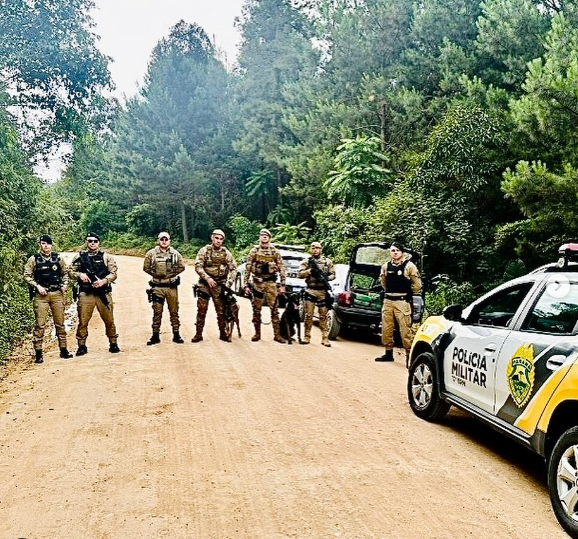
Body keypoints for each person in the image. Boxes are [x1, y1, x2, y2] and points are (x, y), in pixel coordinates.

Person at [23, 235, 73, 363]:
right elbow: (27, 276)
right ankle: (38, 352)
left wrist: (65, 285)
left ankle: (63, 349)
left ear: (52, 245)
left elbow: (65, 273)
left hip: (57, 294)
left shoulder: (58, 258)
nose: (46, 246)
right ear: (40, 244)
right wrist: (37, 286)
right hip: (41, 296)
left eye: (48, 244)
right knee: (40, 324)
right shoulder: (33, 259)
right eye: (43, 243)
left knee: (60, 323)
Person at [70, 233, 120, 356]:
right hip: (86, 293)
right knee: (83, 320)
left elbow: (113, 273)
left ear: (99, 243)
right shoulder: (80, 257)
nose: (92, 243)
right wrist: (80, 275)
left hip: (103, 292)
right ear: (86, 242)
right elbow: (70, 271)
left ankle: (113, 342)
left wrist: (103, 281)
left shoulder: (106, 257)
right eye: (90, 241)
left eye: (95, 241)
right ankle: (81, 345)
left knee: (109, 319)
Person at [375, 242, 421, 363]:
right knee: (386, 328)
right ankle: (388, 353)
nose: (395, 253)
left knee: (405, 329)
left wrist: (407, 293)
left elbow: (417, 285)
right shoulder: (386, 266)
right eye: (392, 250)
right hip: (388, 301)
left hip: (402, 302)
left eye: (397, 250)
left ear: (402, 252)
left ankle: (408, 356)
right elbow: (383, 282)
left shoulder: (409, 266)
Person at [192, 229, 237, 342]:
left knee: (221, 311)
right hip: (205, 284)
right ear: (212, 238)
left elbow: (233, 268)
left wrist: (228, 284)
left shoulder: (226, 253)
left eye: (221, 239)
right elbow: (198, 266)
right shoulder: (204, 250)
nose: (218, 241)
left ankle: (223, 333)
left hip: (219, 285)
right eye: (216, 238)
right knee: (201, 310)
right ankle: (198, 334)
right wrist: (207, 278)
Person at [243, 229, 287, 343]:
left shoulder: (274, 251)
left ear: (269, 238)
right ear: (259, 237)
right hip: (258, 283)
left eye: (266, 235)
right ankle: (257, 334)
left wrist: (283, 285)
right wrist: (245, 284)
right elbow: (248, 268)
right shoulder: (254, 251)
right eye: (262, 235)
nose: (264, 237)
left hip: (271, 284)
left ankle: (277, 335)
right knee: (256, 309)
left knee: (274, 309)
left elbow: (281, 267)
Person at [143, 232, 186, 345]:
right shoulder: (151, 254)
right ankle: (155, 335)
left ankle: (176, 334)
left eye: (166, 239)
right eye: (162, 239)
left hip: (171, 287)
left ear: (169, 241)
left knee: (174, 311)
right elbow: (146, 267)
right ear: (158, 240)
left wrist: (171, 274)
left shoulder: (175, 253)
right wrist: (156, 274)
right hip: (157, 287)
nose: (164, 241)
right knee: (157, 312)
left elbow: (182, 266)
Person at [298, 241, 336, 347]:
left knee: (323, 315)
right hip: (310, 290)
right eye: (313, 248)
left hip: (322, 291)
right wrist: (310, 271)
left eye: (317, 248)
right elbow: (300, 274)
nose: (315, 250)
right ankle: (307, 336)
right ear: (311, 249)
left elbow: (333, 274)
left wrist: (325, 278)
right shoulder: (307, 261)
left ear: (321, 249)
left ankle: (325, 338)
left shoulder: (327, 262)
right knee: (309, 315)